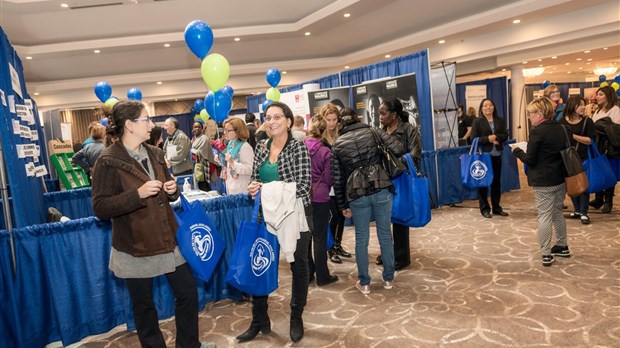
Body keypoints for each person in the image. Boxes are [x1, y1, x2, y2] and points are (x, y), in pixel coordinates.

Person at [91, 100, 215, 348]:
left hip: (167, 236)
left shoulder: (156, 154)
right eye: (146, 119)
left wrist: (172, 190)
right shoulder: (107, 160)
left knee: (188, 293)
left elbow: (170, 191)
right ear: (129, 125)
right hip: (135, 245)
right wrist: (137, 194)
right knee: (144, 305)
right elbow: (101, 207)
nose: (152, 124)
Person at [240, 101, 311, 343]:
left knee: (299, 267)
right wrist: (253, 187)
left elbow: (303, 187)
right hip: (265, 216)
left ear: (289, 121)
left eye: (277, 117)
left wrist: (267, 189)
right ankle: (259, 320)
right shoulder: (260, 146)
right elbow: (254, 179)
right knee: (260, 265)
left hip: (294, 216)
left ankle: (296, 316)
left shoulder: (298, 148)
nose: (271, 122)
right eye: (268, 118)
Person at [331, 107, 404, 294]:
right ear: (357, 118)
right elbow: (398, 148)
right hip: (380, 185)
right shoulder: (373, 131)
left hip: (356, 192)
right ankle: (388, 278)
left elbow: (338, 179)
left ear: (341, 122)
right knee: (385, 234)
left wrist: (342, 206)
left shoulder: (338, 144)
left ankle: (364, 283)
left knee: (361, 238)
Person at [512, 97, 569, 267]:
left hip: (543, 181)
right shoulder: (561, 128)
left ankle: (546, 253)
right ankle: (562, 245)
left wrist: (517, 152)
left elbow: (530, 159)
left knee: (544, 216)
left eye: (530, 114)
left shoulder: (537, 131)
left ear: (539, 113)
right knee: (557, 213)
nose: (529, 117)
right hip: (560, 178)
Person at [377, 97, 422, 271]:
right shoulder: (382, 130)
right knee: (385, 219)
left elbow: (415, 156)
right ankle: (389, 252)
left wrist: (394, 165)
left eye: (383, 113)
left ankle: (402, 257)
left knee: (400, 219)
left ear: (394, 114)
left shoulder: (409, 130)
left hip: (401, 179)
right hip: (383, 180)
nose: (380, 116)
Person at [304, 115, 338, 286]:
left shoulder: (300, 148)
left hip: (302, 197)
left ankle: (309, 272)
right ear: (324, 131)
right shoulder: (326, 152)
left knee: (306, 237)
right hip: (321, 197)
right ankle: (323, 276)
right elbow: (329, 178)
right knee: (320, 237)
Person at [320, 103, 351, 263]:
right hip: (326, 183)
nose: (331, 123)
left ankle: (338, 245)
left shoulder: (341, 134)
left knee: (341, 215)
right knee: (331, 217)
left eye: (334, 120)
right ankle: (330, 248)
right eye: (328, 119)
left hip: (341, 181)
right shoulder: (319, 137)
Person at [470, 98, 509, 218]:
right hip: (483, 156)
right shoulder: (477, 121)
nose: (488, 107)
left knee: (496, 182)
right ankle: (485, 209)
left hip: (497, 154)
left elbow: (505, 135)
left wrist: (496, 137)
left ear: (493, 107)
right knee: (483, 183)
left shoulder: (500, 120)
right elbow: (473, 138)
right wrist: (488, 139)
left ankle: (496, 208)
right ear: (481, 109)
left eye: (490, 105)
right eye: (485, 106)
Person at [559, 96, 595, 224]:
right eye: (580, 105)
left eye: (584, 105)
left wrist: (572, 135)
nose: (583, 107)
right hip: (568, 158)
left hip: (583, 157)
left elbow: (590, 141)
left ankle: (584, 212)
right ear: (572, 106)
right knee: (572, 184)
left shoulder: (587, 121)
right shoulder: (562, 122)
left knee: (582, 185)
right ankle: (577, 210)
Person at [590, 85, 620, 214]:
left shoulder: (615, 110)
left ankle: (608, 201)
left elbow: (616, 129)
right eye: (597, 94)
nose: (597, 97)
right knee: (599, 171)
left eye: (601, 94)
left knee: (609, 173)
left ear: (608, 95)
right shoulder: (597, 111)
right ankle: (598, 199)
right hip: (597, 146)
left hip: (609, 147)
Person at [221, 117, 254, 195]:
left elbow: (250, 169)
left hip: (242, 192)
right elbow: (229, 165)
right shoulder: (230, 145)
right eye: (224, 130)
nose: (225, 133)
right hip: (231, 188)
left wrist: (232, 163)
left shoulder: (245, 147)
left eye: (228, 130)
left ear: (237, 131)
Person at [191, 121, 217, 192]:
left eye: (198, 127)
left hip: (203, 166)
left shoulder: (204, 138)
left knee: (204, 187)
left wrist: (191, 150)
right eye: (195, 127)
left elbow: (202, 152)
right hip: (197, 166)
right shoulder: (194, 139)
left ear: (202, 129)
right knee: (199, 187)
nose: (196, 129)